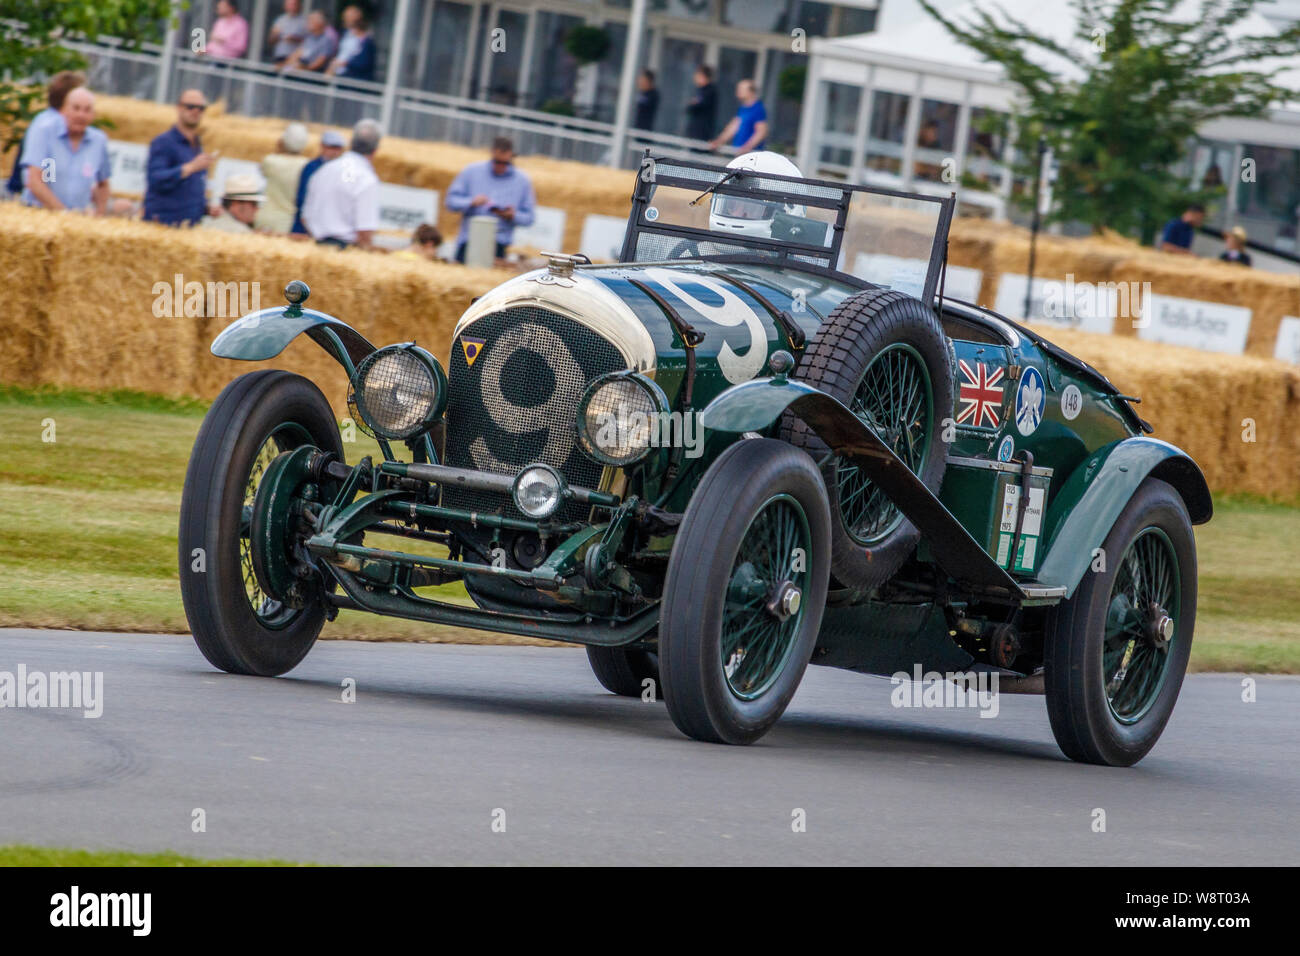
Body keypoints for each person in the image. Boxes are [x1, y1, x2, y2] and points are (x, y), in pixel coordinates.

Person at [445, 136, 536, 263]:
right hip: (470, 240)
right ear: (492, 154)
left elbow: (529, 218)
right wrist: (471, 202)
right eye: (497, 162)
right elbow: (450, 202)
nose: (500, 166)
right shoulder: (471, 171)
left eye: (505, 163)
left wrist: (512, 215)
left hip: (500, 245)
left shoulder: (522, 181)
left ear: (512, 158)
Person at [21, 87, 111, 214]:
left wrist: (100, 215)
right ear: (64, 110)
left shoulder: (98, 141)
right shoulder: (45, 132)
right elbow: (34, 179)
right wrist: (63, 213)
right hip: (39, 215)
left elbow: (103, 184)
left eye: (87, 110)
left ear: (93, 115)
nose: (81, 115)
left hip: (76, 220)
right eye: (76, 108)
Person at [300, 118, 382, 249]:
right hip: (345, 250)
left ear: (351, 143)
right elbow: (365, 232)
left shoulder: (324, 169)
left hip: (315, 246)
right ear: (375, 150)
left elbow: (305, 216)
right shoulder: (366, 179)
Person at [6, 71, 85, 198]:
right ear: (68, 100)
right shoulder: (50, 127)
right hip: (25, 199)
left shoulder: (45, 119)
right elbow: (48, 177)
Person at [143, 90, 215, 227]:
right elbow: (156, 179)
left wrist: (206, 208)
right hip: (164, 224)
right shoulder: (163, 142)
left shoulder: (197, 144)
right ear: (178, 107)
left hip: (190, 225)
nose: (196, 111)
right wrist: (190, 167)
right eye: (190, 107)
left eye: (201, 108)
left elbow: (189, 190)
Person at [255, 122, 310, 233]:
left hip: (267, 218)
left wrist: (279, 147)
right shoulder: (306, 165)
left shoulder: (270, 161)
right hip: (289, 221)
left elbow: (262, 170)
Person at [291, 129, 345, 235]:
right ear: (322, 146)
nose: (335, 152)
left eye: (338, 148)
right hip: (305, 228)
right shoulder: (311, 167)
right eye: (331, 147)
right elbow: (302, 199)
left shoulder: (344, 170)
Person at [708, 78, 768, 154]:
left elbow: (761, 132)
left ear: (751, 92)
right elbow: (733, 127)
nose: (738, 91)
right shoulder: (743, 108)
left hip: (750, 155)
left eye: (741, 89)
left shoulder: (758, 109)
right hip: (739, 151)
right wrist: (719, 141)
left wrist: (747, 147)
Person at [201, 174, 265, 233]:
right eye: (254, 204)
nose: (257, 208)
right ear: (235, 204)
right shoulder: (240, 232)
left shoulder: (207, 222)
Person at [328, 5, 376, 81]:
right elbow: (341, 53)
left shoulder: (366, 41)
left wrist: (344, 63)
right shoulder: (346, 34)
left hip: (352, 79)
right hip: (338, 75)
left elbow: (363, 63)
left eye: (347, 17)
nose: (344, 19)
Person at [268, 0, 308, 66]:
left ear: (299, 5)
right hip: (279, 57)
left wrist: (295, 39)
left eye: (293, 4)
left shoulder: (304, 22)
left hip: (295, 60)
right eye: (289, 4)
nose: (291, 7)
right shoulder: (280, 20)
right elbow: (271, 41)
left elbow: (309, 42)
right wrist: (275, 35)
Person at [684, 64, 717, 142]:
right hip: (695, 132)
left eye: (697, 75)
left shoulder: (709, 91)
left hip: (702, 134)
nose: (695, 78)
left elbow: (696, 105)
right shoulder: (700, 90)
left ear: (702, 75)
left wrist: (693, 103)